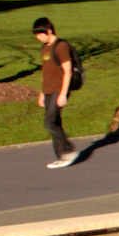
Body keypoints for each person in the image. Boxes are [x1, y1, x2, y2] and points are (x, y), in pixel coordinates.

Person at [33, 17, 79, 166]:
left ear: (49, 31)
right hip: (48, 90)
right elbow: (45, 72)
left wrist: (63, 93)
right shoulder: (44, 48)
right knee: (55, 123)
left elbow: (68, 71)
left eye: (40, 34)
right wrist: (41, 93)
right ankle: (61, 157)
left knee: (50, 123)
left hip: (58, 90)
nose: (38, 38)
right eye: (36, 35)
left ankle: (68, 150)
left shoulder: (61, 46)